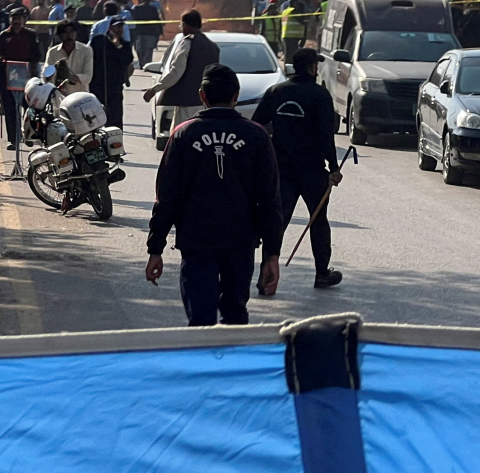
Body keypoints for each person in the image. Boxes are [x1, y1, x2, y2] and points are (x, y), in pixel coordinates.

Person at [145, 64, 283, 326]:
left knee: (200, 320)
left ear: (202, 96)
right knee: (235, 315)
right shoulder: (256, 136)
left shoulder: (184, 134)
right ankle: (231, 365)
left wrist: (156, 249)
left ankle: (204, 363)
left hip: (197, 241)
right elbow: (269, 201)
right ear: (236, 96)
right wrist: (271, 255)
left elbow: (166, 198)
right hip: (240, 242)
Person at [252, 47, 345, 289]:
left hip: (281, 168)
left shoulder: (276, 92)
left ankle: (265, 276)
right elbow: (327, 136)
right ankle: (322, 274)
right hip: (312, 170)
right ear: (313, 67)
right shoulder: (320, 95)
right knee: (318, 221)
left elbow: (256, 124)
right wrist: (334, 167)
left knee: (277, 222)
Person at [143, 10, 220, 128]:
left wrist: (155, 89)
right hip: (206, 102)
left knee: (181, 136)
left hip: (187, 102)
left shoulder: (188, 43)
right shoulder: (212, 46)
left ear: (185, 25)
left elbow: (176, 72)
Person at [0, 8, 43, 149]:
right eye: (13, 18)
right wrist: (3, 71)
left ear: (24, 20)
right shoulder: (3, 35)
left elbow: (38, 55)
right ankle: (13, 140)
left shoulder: (31, 35)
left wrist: (30, 68)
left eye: (19, 18)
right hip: (8, 79)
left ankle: (28, 136)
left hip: (27, 80)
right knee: (10, 110)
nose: (16, 21)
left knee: (28, 110)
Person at [89, 18, 134, 128]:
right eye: (117, 27)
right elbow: (88, 55)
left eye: (121, 27)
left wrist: (118, 45)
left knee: (115, 119)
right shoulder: (98, 40)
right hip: (97, 86)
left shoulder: (125, 45)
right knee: (94, 119)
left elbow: (127, 60)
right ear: (110, 28)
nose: (119, 30)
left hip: (115, 87)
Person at [46, 21, 94, 95]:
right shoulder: (52, 52)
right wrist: (55, 68)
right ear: (60, 35)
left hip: (80, 97)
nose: (69, 35)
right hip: (59, 97)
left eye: (72, 32)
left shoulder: (86, 50)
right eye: (65, 32)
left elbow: (87, 77)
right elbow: (46, 77)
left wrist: (67, 76)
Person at [129, 0, 163, 67]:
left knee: (142, 49)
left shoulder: (139, 8)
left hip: (142, 33)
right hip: (145, 33)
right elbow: (158, 20)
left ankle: (144, 64)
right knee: (146, 50)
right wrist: (160, 31)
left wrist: (160, 31)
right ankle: (144, 64)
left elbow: (157, 20)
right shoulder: (137, 8)